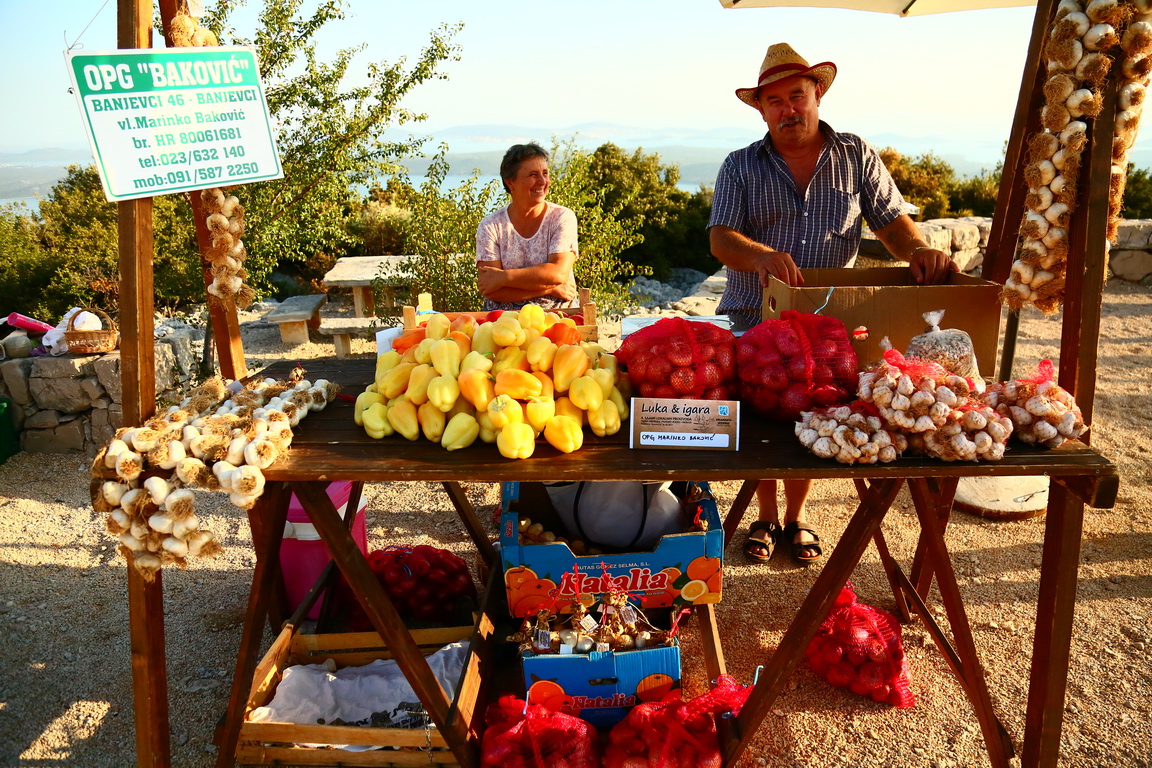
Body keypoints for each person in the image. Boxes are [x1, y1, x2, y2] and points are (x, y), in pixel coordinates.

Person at [708, 42, 957, 565]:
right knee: (762, 416)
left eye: (796, 95)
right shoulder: (739, 165)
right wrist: (760, 257)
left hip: (825, 325)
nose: (787, 109)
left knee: (814, 414)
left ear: (816, 94)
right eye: (773, 101)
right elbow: (721, 240)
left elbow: (891, 223)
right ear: (760, 109)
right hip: (753, 315)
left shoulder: (855, 155)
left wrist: (919, 252)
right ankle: (765, 516)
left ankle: (796, 516)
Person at [476, 142, 579, 311]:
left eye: (545, 173)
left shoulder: (561, 217)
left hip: (558, 320)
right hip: (502, 324)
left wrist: (504, 277)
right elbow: (491, 289)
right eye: (533, 175)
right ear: (510, 183)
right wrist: (551, 288)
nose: (542, 181)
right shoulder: (490, 226)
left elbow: (558, 273)